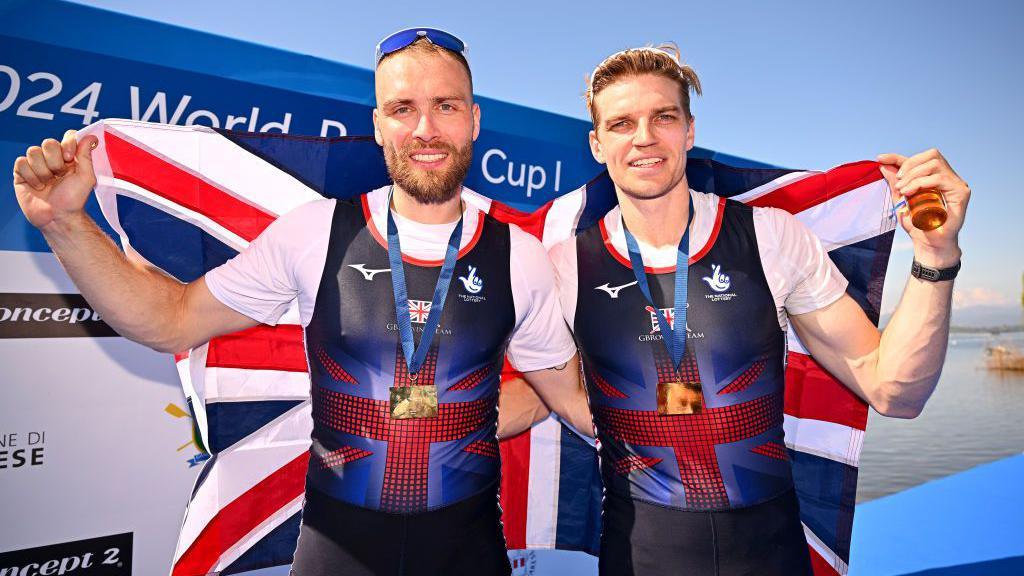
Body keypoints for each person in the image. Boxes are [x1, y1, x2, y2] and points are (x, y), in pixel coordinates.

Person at [12, 27, 591, 576]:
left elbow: (570, 400)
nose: (425, 129)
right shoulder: (314, 232)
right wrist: (65, 224)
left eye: (445, 106)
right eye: (402, 109)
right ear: (379, 124)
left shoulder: (519, 257)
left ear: (473, 120)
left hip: (468, 554)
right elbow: (171, 320)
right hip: (335, 553)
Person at [546, 44, 969, 575]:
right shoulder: (563, 265)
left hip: (772, 553)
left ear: (689, 131)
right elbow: (538, 391)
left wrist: (936, 256)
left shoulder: (770, 237)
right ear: (597, 144)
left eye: (664, 117)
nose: (645, 137)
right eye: (622, 123)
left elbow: (894, 390)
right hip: (642, 554)